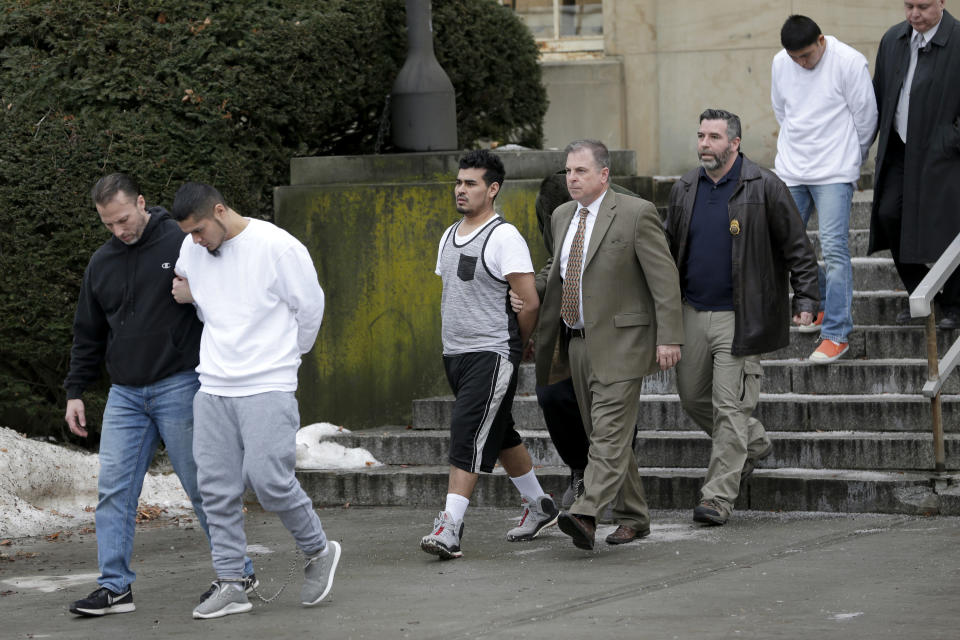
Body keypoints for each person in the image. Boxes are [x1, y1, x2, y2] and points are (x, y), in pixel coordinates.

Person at [64, 174, 255, 617]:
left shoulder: (182, 242)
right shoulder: (101, 262)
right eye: (108, 224)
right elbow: (87, 333)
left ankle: (238, 572)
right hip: (125, 395)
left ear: (142, 203)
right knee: (113, 491)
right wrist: (75, 390)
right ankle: (114, 589)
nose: (119, 231)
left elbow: (231, 286)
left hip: (180, 384)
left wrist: (197, 295)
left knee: (203, 486)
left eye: (124, 219)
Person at [170, 182, 340, 619]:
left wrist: (285, 359)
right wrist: (196, 296)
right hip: (213, 385)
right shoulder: (194, 251)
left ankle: (318, 550)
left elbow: (311, 308)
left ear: (221, 211)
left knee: (268, 478)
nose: (195, 241)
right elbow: (212, 303)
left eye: (200, 230)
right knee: (215, 489)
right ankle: (232, 582)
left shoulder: (278, 247)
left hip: (267, 383)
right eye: (188, 234)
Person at [665, 109, 819, 526]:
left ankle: (717, 497)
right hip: (692, 311)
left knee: (729, 407)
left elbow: (798, 247)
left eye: (714, 137)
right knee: (693, 397)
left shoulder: (764, 185)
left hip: (742, 314)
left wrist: (806, 296)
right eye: (700, 135)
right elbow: (667, 251)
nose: (704, 144)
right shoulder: (683, 188)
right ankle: (755, 442)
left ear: (734, 143)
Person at [534, 139, 683, 550]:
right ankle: (634, 515)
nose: (572, 178)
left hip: (624, 342)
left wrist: (669, 336)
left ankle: (585, 510)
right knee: (606, 433)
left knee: (608, 433)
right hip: (576, 343)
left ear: (604, 174)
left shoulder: (636, 214)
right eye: (567, 171)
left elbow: (664, 278)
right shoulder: (562, 214)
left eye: (580, 171)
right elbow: (557, 268)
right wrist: (526, 290)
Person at [420, 149, 559, 561]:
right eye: (459, 183)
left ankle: (450, 526)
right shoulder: (449, 234)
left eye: (471, 183)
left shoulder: (504, 237)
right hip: (456, 354)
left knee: (467, 431)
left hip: (493, 351)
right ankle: (540, 505)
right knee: (498, 432)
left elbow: (529, 300)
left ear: (493, 189)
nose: (461, 190)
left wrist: (515, 345)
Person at [772, 14, 878, 362]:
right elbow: (781, 111)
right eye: (795, 58)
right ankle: (816, 300)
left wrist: (851, 159)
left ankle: (836, 332)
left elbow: (867, 117)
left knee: (834, 250)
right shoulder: (780, 62)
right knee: (780, 244)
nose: (801, 63)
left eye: (806, 55)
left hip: (835, 170)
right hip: (792, 168)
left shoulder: (848, 62)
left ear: (821, 41)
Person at [871, 0, 960, 329]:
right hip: (900, 150)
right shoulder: (894, 38)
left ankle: (954, 303)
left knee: (949, 227)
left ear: (942, 3)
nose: (914, 14)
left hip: (944, 154)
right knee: (888, 215)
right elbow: (880, 93)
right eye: (909, 6)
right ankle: (926, 294)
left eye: (923, 6)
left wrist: (948, 139)